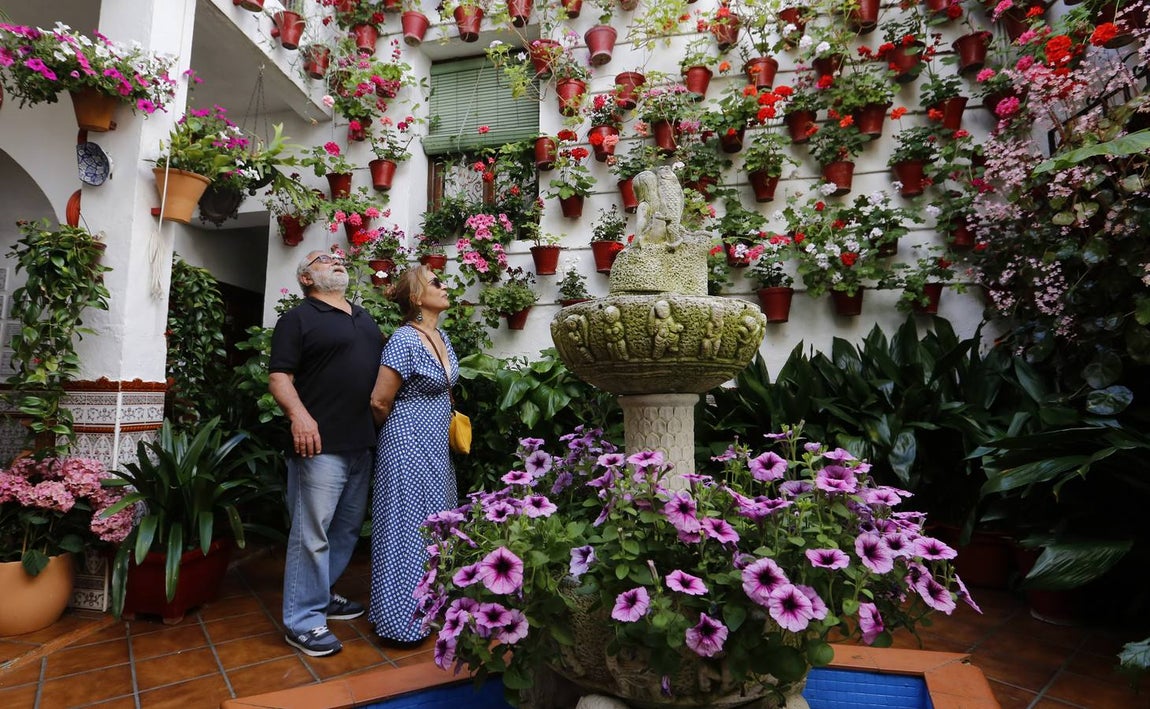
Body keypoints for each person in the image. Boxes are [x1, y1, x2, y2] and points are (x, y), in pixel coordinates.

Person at [268, 250, 383, 657]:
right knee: (311, 534)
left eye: (339, 258)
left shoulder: (363, 317)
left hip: (362, 441)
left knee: (345, 530)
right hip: (318, 443)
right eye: (323, 259)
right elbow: (279, 375)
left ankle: (323, 594)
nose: (337, 261)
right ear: (306, 278)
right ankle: (302, 620)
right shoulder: (297, 319)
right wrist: (299, 417)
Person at [369, 266, 459, 647]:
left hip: (437, 447)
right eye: (435, 283)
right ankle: (399, 621)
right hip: (406, 443)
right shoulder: (405, 339)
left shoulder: (441, 336)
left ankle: (431, 611)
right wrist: (406, 432)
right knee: (406, 527)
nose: (444, 286)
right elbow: (379, 400)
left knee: (434, 526)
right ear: (417, 298)